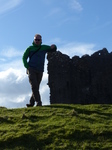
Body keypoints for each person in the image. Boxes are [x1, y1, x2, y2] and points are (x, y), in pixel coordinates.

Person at [22, 34, 57, 107]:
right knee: (34, 86)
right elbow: (24, 57)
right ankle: (39, 102)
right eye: (36, 40)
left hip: (40, 70)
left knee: (36, 87)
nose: (37, 41)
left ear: (41, 40)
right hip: (31, 69)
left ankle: (31, 103)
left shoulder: (44, 47)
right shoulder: (30, 48)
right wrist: (27, 66)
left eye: (38, 40)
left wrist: (54, 46)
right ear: (33, 40)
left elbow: (52, 49)